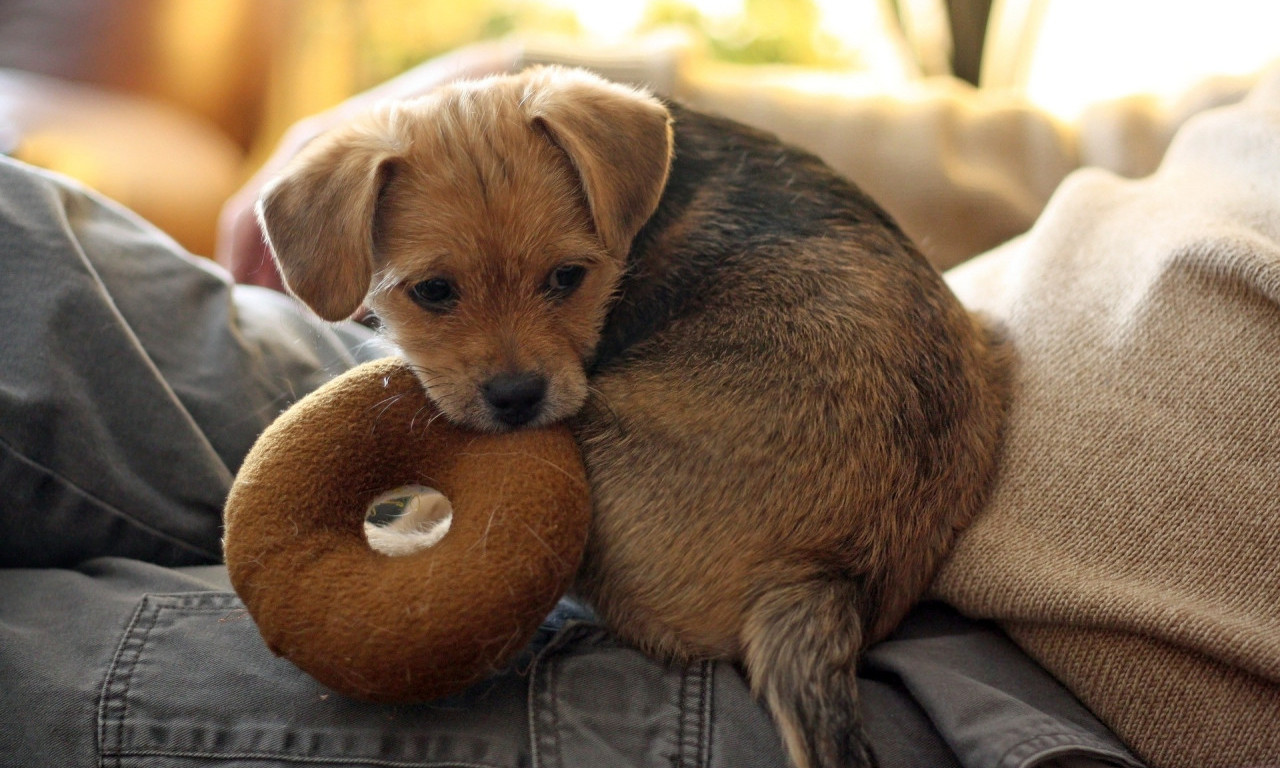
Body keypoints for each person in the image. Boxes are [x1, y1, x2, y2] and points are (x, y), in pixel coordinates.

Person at [27, 34, 1280, 767]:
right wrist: (539, 74)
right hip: (782, 408)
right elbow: (1040, 152)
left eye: (570, 276)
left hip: (923, 657)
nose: (506, 357)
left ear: (610, 229)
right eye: (433, 296)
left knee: (28, 648)